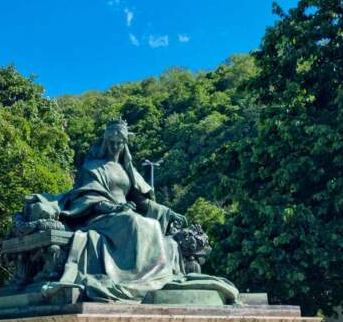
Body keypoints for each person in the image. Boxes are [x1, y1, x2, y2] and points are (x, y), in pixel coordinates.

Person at [30, 119, 239, 303]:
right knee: (132, 222)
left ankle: (152, 274)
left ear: (124, 144)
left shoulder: (126, 169)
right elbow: (87, 197)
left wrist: (166, 211)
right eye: (111, 142)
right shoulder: (91, 168)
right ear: (105, 142)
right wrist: (115, 207)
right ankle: (133, 275)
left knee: (151, 223)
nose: (115, 146)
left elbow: (142, 201)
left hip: (125, 212)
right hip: (99, 216)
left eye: (119, 143)